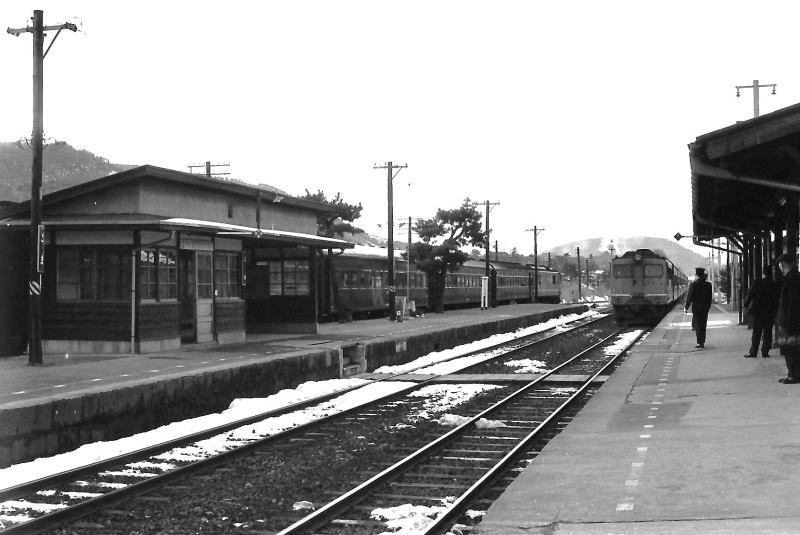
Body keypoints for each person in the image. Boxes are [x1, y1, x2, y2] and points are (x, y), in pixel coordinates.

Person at [775, 253, 800, 384]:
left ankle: (793, 375)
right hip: (795, 321)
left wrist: (788, 324)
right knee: (795, 348)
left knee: (790, 349)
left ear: (783, 265)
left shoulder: (791, 280)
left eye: (780, 266)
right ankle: (795, 373)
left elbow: (792, 304)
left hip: (790, 322)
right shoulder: (796, 278)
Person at [743, 265, 778, 358]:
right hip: (770, 312)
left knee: (756, 332)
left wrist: (746, 305)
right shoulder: (774, 284)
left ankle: (753, 352)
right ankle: (765, 352)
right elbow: (776, 299)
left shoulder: (758, 282)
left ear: (763, 273)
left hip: (758, 312)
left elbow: (750, 294)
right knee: (768, 332)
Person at [684, 267, 712, 348]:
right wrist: (708, 307)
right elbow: (710, 298)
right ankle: (702, 341)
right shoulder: (708, 285)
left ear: (697, 275)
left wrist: (686, 307)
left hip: (696, 308)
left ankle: (700, 342)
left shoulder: (693, 284)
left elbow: (690, 297)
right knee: (703, 324)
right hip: (705, 308)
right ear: (703, 274)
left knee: (698, 325)